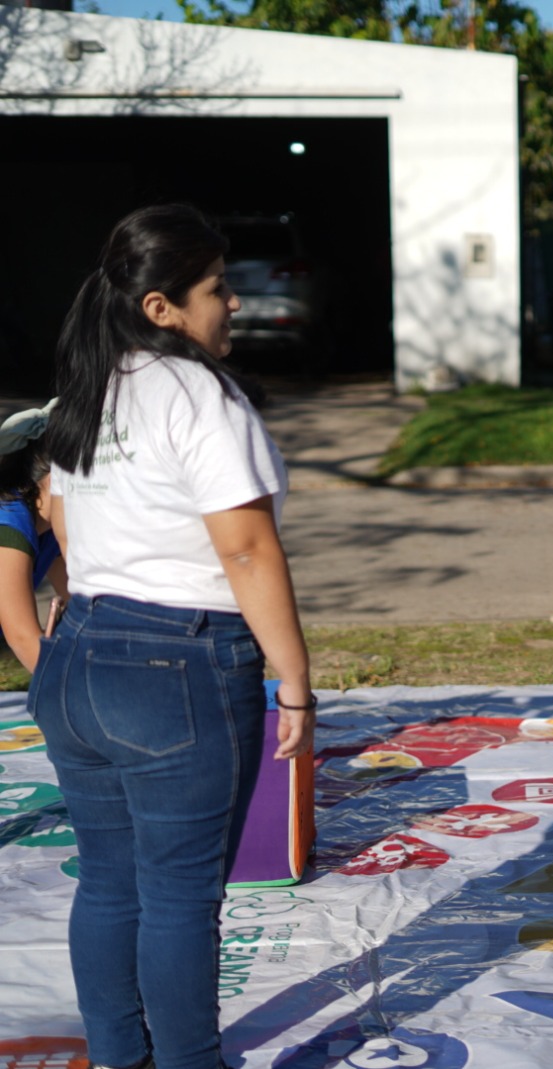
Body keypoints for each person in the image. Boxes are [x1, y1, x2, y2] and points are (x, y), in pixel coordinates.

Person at [33, 204, 316, 1069]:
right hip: (176, 668)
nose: (233, 303)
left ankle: (122, 1057)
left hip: (79, 654)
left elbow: (68, 532)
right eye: (218, 289)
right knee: (181, 898)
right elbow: (245, 545)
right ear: (162, 307)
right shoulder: (199, 392)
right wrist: (295, 679)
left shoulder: (92, 384)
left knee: (112, 883)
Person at [0, 400, 67, 672]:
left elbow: (86, 602)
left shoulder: (50, 531)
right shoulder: (9, 520)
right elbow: (22, 637)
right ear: (53, 479)